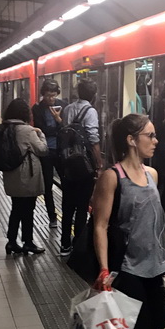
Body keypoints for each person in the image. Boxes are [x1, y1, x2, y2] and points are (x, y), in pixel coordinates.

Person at [91, 113, 165, 329]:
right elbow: (100, 225)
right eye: (149, 135)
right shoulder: (113, 176)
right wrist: (104, 269)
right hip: (127, 267)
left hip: (154, 265)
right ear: (131, 140)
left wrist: (164, 254)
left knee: (161, 316)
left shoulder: (152, 174)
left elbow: (154, 221)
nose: (155, 141)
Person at [60, 79, 102, 257]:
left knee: (67, 204)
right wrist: (99, 164)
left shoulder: (68, 108)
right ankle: (78, 243)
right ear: (94, 95)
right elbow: (93, 138)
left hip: (67, 162)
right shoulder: (90, 111)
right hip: (84, 165)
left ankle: (64, 244)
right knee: (82, 204)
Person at [1, 98, 47, 255]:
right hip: (27, 177)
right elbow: (42, 150)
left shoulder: (5, 128)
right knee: (28, 210)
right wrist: (41, 134)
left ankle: (11, 242)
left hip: (11, 175)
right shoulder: (27, 130)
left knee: (16, 209)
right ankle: (28, 242)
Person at [32, 79, 67, 227]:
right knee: (47, 185)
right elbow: (41, 128)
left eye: (53, 95)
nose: (51, 99)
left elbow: (66, 127)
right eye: (47, 96)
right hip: (45, 150)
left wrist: (58, 120)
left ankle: (67, 213)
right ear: (43, 95)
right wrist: (57, 127)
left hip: (61, 150)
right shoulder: (37, 108)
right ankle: (52, 216)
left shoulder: (63, 105)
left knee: (66, 183)